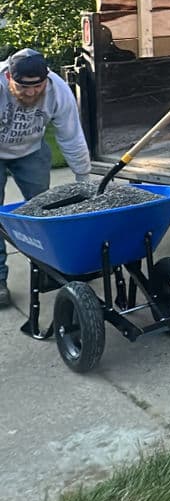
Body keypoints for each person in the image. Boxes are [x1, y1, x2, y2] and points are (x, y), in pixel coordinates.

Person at [0, 48, 92, 308]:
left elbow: (71, 136)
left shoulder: (58, 90)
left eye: (37, 86)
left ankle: (48, 271)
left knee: (42, 211)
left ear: (46, 79)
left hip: (31, 150)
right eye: (23, 87)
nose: (31, 94)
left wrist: (83, 177)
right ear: (9, 78)